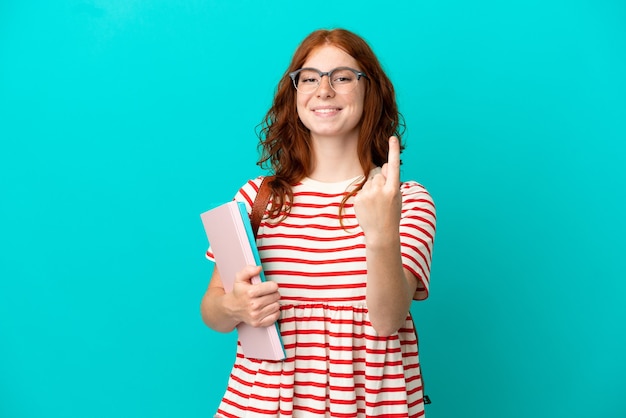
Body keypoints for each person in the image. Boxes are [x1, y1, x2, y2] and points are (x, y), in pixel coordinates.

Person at [200, 28, 436, 418]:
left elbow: (388, 318)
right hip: (261, 405)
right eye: (309, 78)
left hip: (369, 406)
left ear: (369, 91)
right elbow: (212, 310)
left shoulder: (405, 199)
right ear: (294, 96)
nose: (323, 90)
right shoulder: (256, 197)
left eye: (342, 77)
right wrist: (234, 306)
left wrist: (379, 233)